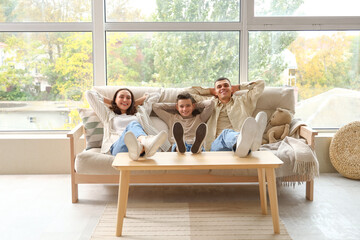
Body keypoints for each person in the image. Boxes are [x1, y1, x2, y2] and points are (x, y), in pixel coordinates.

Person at [188, 77, 267, 157]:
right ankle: (246, 142)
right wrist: (210, 90)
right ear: (215, 92)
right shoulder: (209, 104)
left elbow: (260, 83)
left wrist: (238, 87)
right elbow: (186, 93)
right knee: (225, 133)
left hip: (239, 148)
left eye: (226, 85)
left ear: (231, 89)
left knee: (228, 134)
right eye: (219, 87)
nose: (223, 88)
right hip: (216, 147)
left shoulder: (244, 101)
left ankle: (246, 144)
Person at [85, 88, 168, 160]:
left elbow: (155, 95)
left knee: (134, 126)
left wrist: (133, 104)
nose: (125, 100)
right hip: (119, 147)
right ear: (115, 99)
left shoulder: (140, 112)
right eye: (121, 97)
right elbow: (89, 94)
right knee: (132, 125)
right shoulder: (108, 114)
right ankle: (145, 142)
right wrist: (114, 102)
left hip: (137, 146)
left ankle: (141, 147)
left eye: (128, 98)